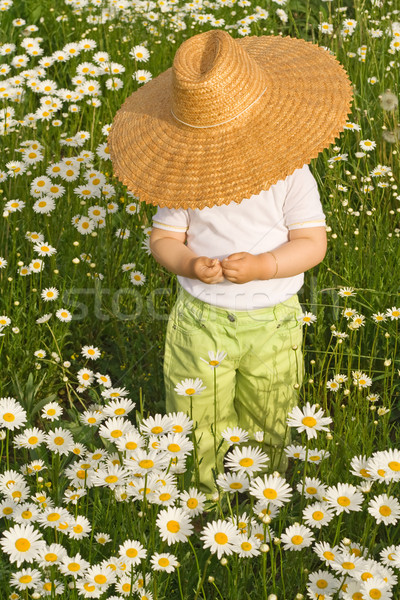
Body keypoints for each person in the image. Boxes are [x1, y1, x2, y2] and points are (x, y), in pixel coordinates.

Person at [108, 29, 353, 495]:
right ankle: (200, 495)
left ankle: (261, 495)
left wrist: (266, 266)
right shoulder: (183, 173)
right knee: (196, 413)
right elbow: (163, 238)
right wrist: (188, 263)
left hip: (273, 322)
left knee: (271, 412)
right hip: (200, 320)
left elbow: (311, 242)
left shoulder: (292, 172)